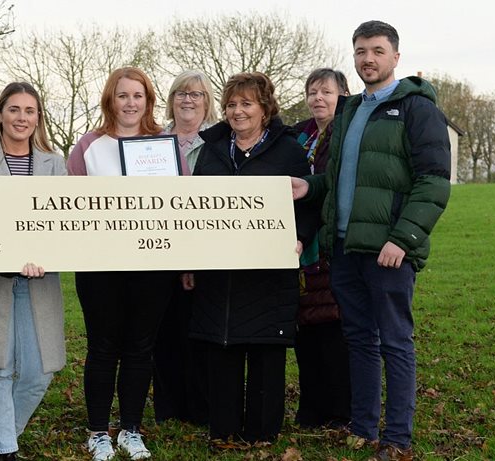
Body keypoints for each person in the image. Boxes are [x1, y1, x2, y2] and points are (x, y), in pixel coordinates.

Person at [291, 21, 451, 461]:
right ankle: (362, 428)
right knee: (359, 340)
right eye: (361, 51)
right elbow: (338, 178)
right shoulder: (350, 110)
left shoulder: (417, 109)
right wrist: (310, 187)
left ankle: (397, 437)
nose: (368, 59)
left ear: (395, 57)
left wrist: (403, 239)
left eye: (378, 51)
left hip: (389, 252)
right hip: (345, 248)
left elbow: (434, 181)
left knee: (395, 342)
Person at [188, 71, 318, 445]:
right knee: (222, 346)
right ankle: (224, 429)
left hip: (269, 271)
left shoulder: (289, 150)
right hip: (220, 272)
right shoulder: (212, 150)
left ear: (265, 108)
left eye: (246, 103)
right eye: (231, 104)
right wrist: (190, 260)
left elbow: (308, 204)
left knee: (266, 349)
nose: (237, 111)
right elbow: (193, 207)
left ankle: (263, 431)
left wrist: (299, 237)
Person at [67, 66, 174, 461]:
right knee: (103, 346)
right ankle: (98, 432)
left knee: (140, 348)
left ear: (148, 101)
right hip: (100, 265)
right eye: (123, 95)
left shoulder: (165, 145)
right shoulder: (88, 145)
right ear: (110, 99)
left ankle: (131, 428)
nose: (130, 103)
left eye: (138, 96)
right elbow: (69, 206)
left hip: (152, 263)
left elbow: (181, 204)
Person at [0, 82, 67, 461]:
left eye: (30, 111)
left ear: (38, 118)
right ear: (0, 114)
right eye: (14, 109)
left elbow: (63, 226)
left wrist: (45, 254)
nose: (22, 118)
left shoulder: (55, 164)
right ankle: (3, 452)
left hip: (40, 281)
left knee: (40, 372)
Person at [152, 69, 217, 426]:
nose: (187, 100)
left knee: (196, 330)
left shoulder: (217, 143)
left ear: (207, 102)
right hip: (157, 250)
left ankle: (198, 406)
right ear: (171, 99)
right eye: (181, 93)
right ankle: (167, 406)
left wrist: (192, 259)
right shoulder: (152, 142)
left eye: (196, 94)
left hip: (200, 250)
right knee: (162, 330)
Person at [292, 68, 352, 430]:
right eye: (312, 92)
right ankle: (311, 409)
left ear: (343, 95)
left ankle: (342, 410)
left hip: (332, 242)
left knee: (334, 328)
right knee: (306, 327)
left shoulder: (348, 132)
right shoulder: (300, 134)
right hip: (302, 242)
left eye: (326, 92)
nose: (318, 98)